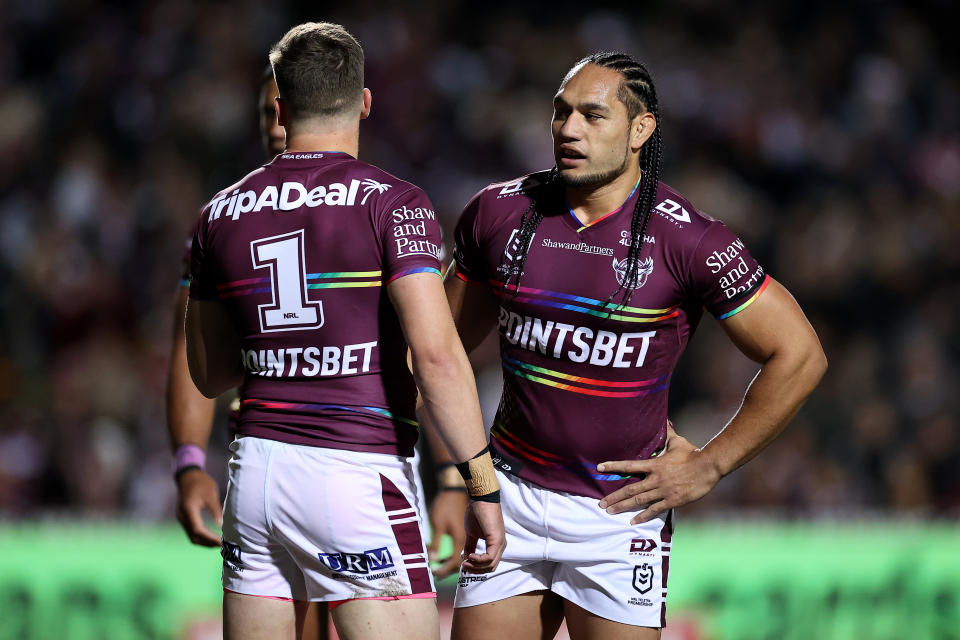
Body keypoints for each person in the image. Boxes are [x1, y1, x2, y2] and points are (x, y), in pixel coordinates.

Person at [443, 52, 827, 639]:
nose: (569, 129)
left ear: (640, 130)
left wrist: (711, 465)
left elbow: (800, 355)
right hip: (509, 501)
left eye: (593, 116)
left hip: (619, 515)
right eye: (561, 112)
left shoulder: (688, 239)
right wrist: (458, 479)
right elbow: (439, 352)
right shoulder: (499, 212)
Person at [184, 22, 505, 640]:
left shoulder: (217, 214)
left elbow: (210, 373)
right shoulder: (394, 202)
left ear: (280, 106)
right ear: (363, 101)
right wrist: (479, 486)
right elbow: (436, 358)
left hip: (255, 475)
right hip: (356, 472)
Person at [166, 65, 341, 640]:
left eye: (286, 106)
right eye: (267, 110)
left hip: (361, 458)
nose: (277, 121)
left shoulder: (377, 206)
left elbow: (425, 353)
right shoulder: (222, 219)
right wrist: (190, 464)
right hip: (264, 461)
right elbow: (193, 353)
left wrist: (444, 474)